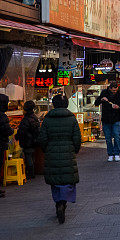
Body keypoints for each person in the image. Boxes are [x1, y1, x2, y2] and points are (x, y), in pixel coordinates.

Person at [38, 94, 82, 224]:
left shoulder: (47, 119)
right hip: (68, 152)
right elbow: (77, 138)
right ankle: (63, 203)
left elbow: (42, 138)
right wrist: (75, 149)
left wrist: (47, 150)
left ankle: (58, 203)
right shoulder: (71, 118)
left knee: (55, 180)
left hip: (51, 153)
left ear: (54, 104)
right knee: (67, 179)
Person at [95, 82, 120, 162]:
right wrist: (101, 99)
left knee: (116, 136)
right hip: (106, 118)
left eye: (116, 90)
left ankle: (116, 153)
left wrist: (118, 107)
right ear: (110, 88)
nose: (114, 92)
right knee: (108, 138)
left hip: (115, 118)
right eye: (113, 90)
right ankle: (110, 154)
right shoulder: (104, 93)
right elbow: (96, 103)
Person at [15, 101, 40, 179]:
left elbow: (22, 131)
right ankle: (32, 172)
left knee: (28, 156)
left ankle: (30, 173)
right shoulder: (34, 117)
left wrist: (17, 136)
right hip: (33, 140)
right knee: (31, 156)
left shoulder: (26, 119)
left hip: (27, 141)